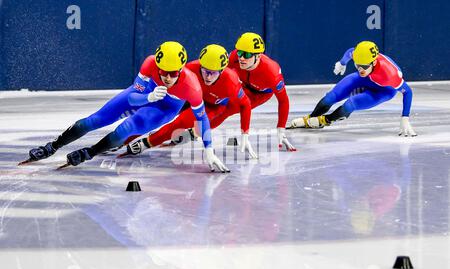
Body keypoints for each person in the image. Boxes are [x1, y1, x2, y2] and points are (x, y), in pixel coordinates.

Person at [22, 41, 229, 172]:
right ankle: (52, 146)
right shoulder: (149, 64)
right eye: (162, 71)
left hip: (164, 109)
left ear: (181, 70)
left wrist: (209, 150)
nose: (167, 77)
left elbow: (202, 119)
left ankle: (90, 152)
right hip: (143, 96)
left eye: (173, 73)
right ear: (156, 65)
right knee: (93, 121)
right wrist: (148, 97)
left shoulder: (192, 87)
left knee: (125, 130)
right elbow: (132, 99)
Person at [121, 44, 258, 159]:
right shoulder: (191, 68)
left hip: (212, 107)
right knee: (157, 114)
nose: (208, 77)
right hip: (191, 97)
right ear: (200, 66)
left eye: (213, 73)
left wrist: (245, 134)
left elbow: (246, 104)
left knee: (180, 122)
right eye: (205, 71)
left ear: (222, 71)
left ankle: (147, 143)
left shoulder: (232, 82)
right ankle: (123, 139)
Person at [288, 41, 417, 137]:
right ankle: (311, 119)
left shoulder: (390, 75)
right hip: (368, 79)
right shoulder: (361, 58)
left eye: (364, 67)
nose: (360, 70)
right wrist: (342, 63)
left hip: (383, 90)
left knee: (350, 104)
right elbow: (350, 52)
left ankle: (325, 120)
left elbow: (408, 92)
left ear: (374, 63)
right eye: (357, 65)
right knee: (330, 97)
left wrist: (405, 117)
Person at [209, 32, 297, 151]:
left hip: (259, 94)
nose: (241, 58)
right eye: (240, 52)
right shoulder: (234, 57)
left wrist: (281, 128)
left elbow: (283, 100)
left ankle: (197, 131)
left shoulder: (272, 73)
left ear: (259, 56)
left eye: (247, 54)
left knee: (228, 108)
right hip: (243, 84)